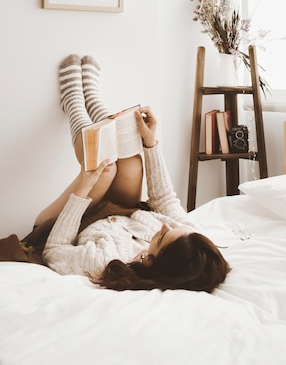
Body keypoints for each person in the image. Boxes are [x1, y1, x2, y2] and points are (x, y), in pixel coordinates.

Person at [35, 54, 231, 292]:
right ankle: (94, 99)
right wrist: (151, 144)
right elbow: (164, 199)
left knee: (105, 168)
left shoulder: (107, 262)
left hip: (69, 222)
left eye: (160, 239)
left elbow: (55, 251)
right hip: (117, 208)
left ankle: (74, 100)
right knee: (131, 162)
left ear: (151, 261)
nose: (165, 226)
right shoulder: (189, 241)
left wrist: (83, 187)